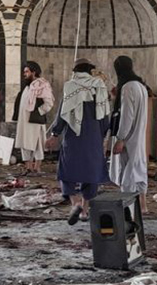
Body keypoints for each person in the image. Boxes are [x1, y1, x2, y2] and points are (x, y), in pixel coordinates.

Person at [46, 58, 110, 225]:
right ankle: (85, 210)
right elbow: (105, 115)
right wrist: (103, 135)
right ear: (89, 71)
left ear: (75, 71)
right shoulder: (99, 86)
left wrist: (54, 134)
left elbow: (62, 114)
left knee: (67, 171)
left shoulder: (71, 86)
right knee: (91, 173)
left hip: (73, 137)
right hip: (93, 136)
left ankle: (75, 203)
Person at [108, 56, 149, 214]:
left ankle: (129, 211)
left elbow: (126, 116)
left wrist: (121, 139)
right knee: (139, 170)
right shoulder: (140, 86)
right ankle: (143, 206)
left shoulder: (127, 87)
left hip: (128, 138)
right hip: (138, 135)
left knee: (127, 174)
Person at [14, 61, 55, 175]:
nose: (25, 74)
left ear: (34, 72)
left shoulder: (42, 84)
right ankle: (28, 167)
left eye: (27, 71)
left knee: (38, 144)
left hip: (35, 121)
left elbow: (49, 103)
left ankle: (37, 167)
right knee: (24, 143)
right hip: (24, 120)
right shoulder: (28, 87)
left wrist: (38, 112)